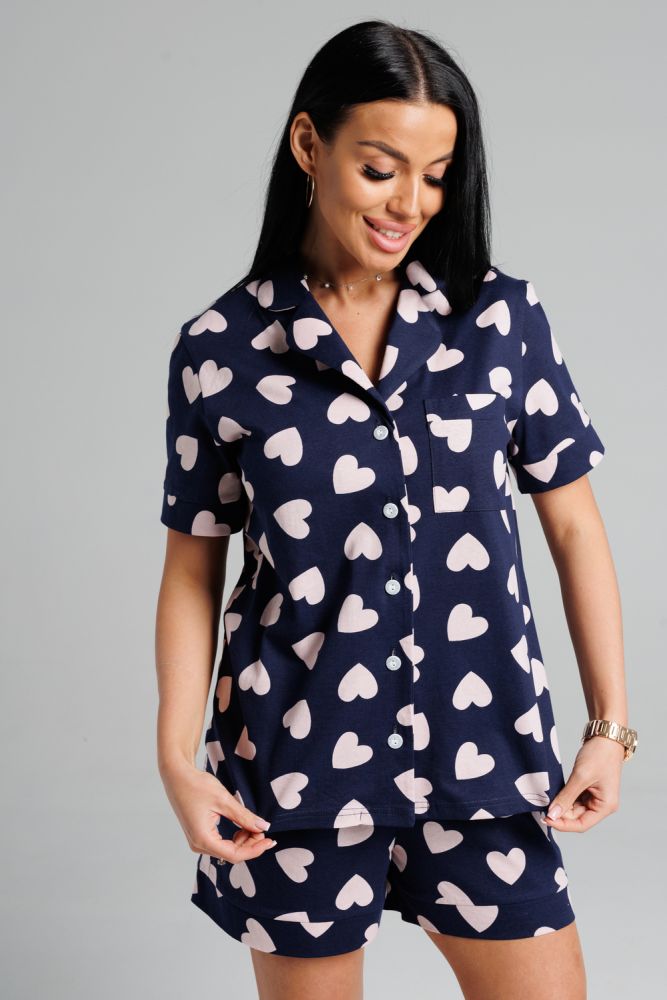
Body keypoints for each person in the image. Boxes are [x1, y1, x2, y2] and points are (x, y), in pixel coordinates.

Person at [155, 19, 637, 1000]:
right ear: (308, 144)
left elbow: (575, 527)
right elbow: (193, 566)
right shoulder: (220, 348)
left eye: (436, 175)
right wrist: (176, 758)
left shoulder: (501, 320)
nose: (409, 203)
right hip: (293, 769)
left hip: (484, 760)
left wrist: (609, 727)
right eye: (380, 169)